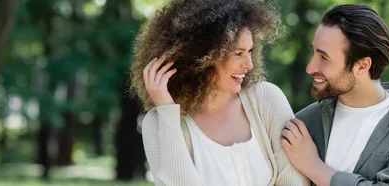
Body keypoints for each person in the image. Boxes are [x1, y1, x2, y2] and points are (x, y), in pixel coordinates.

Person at [130, 0, 309, 185]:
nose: (249, 64)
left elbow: (294, 180)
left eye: (250, 51)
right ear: (202, 56)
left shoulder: (266, 98)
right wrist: (167, 112)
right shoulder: (158, 122)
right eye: (238, 53)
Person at [280, 4, 389, 186]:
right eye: (314, 52)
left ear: (362, 66)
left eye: (324, 58)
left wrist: (314, 167)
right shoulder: (303, 123)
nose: (310, 67)